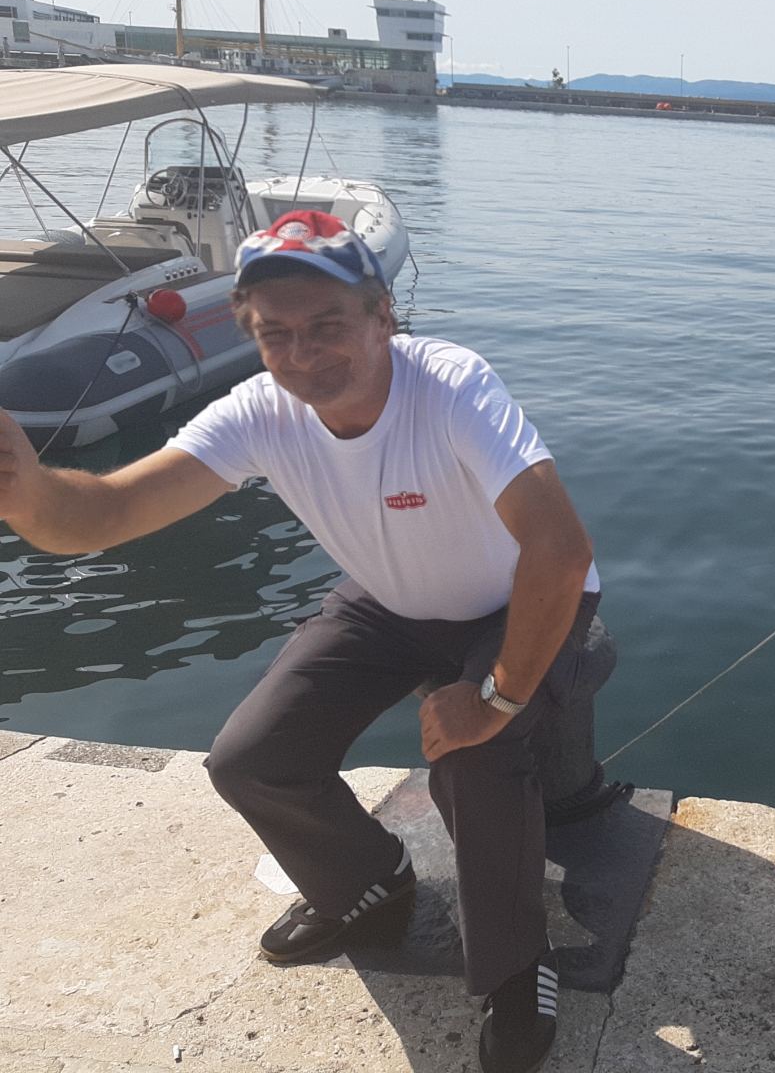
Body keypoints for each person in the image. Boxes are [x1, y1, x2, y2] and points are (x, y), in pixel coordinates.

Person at [0, 210, 597, 1073]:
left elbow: (559, 550)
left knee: (474, 755)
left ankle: (514, 969)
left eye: (327, 324)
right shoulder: (260, 412)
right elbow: (107, 512)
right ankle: (367, 885)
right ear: (252, 335)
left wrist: (495, 697)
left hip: (517, 599)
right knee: (251, 758)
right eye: (276, 333)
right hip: (391, 600)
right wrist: (24, 489)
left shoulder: (450, 384)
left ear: (382, 315)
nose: (304, 353)